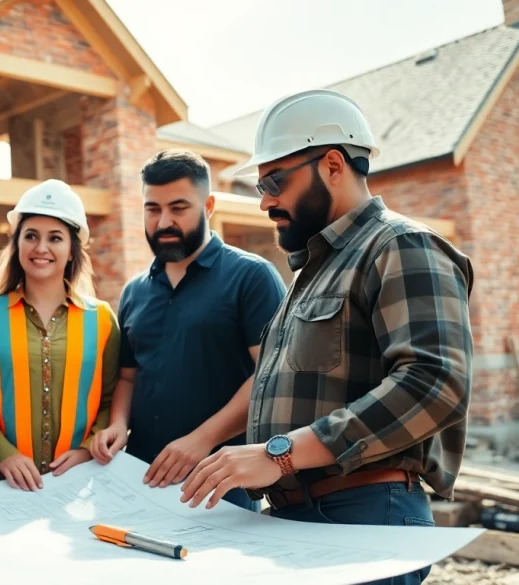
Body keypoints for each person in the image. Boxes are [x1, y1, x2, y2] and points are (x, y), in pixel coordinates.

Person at [179, 89, 474, 584]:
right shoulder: (311, 274)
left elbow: (436, 382)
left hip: (365, 515)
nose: (266, 200)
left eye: (275, 181)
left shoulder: (401, 245)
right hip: (302, 517)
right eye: (260, 188)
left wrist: (281, 453)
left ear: (333, 164)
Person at [90, 149, 286, 511]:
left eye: (178, 208)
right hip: (139, 481)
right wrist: (117, 423)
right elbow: (129, 377)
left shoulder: (252, 277)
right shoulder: (134, 291)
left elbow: (271, 378)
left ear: (208, 205)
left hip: (221, 489)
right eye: (153, 209)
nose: (163, 221)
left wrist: (201, 440)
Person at [0, 180, 120, 490]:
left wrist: (85, 451)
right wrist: (5, 456)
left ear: (71, 251)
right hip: (2, 488)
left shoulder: (103, 319)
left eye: (55, 238)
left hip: (81, 486)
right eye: (31, 236)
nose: (41, 248)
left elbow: (110, 401)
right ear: (17, 245)